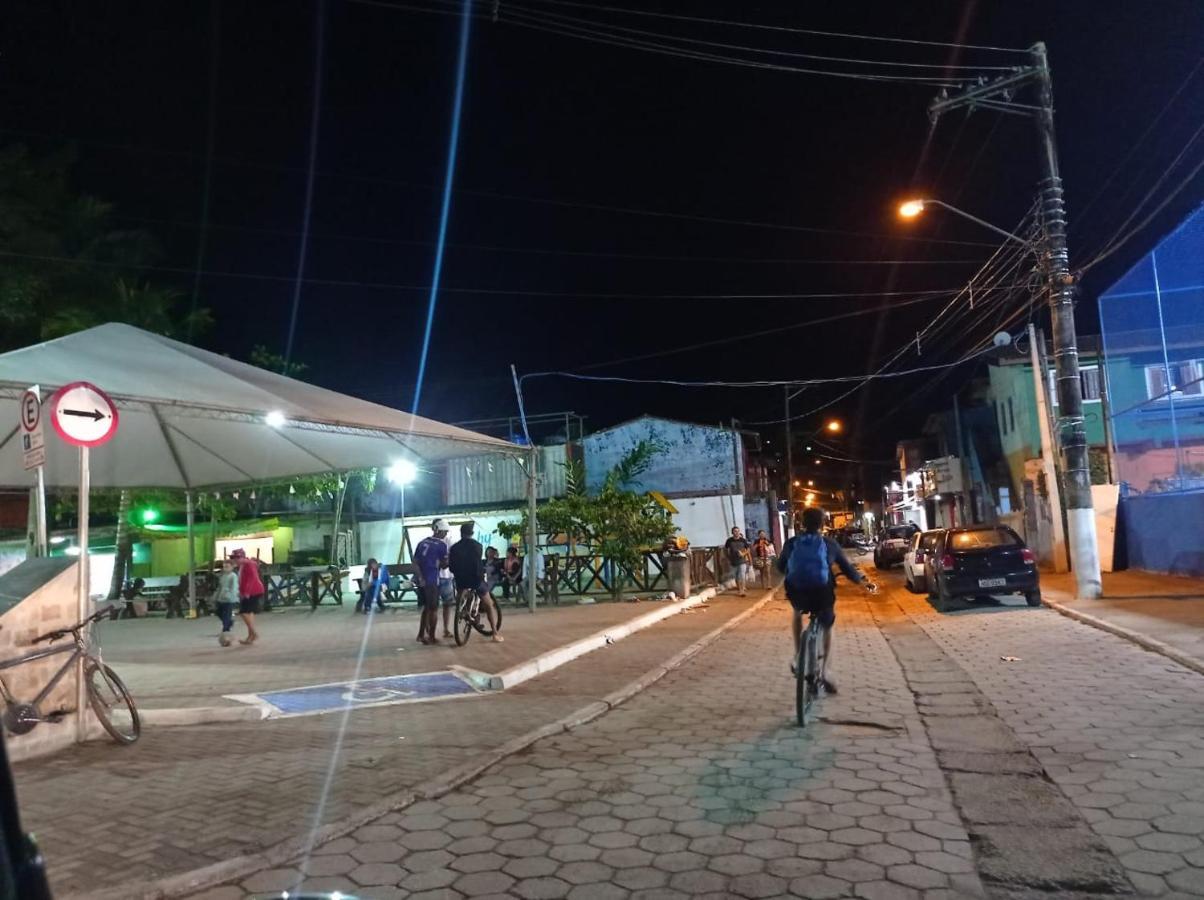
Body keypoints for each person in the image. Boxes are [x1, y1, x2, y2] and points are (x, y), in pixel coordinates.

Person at [776, 507, 876, 694]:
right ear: (822, 524)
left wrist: (792, 572)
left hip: (797, 592)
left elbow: (780, 567)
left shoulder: (791, 543)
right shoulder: (829, 544)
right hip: (821, 593)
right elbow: (847, 569)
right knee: (828, 625)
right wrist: (862, 582)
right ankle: (825, 672)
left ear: (801, 524)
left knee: (797, 612)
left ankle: (798, 655)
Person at [448, 523, 504, 642]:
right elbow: (477, 563)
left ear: (461, 533)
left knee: (461, 593)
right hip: (475, 579)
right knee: (489, 604)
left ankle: (463, 610)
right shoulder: (477, 546)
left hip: (460, 580)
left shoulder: (454, 548)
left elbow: (451, 567)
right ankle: (494, 633)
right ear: (472, 533)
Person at [413, 520, 450, 644]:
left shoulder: (422, 542)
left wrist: (420, 578)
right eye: (445, 531)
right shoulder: (441, 545)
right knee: (433, 609)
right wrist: (449, 560)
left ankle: (421, 634)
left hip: (422, 580)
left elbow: (415, 563)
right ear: (439, 530)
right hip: (433, 580)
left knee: (426, 608)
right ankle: (432, 637)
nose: (445, 534)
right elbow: (444, 565)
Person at [230, 548, 265, 645]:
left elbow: (252, 578)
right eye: (233, 558)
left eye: (235, 558)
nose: (234, 560)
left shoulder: (248, 564)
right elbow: (243, 580)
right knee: (249, 613)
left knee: (243, 612)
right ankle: (250, 636)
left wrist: (246, 592)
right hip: (250, 591)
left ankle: (253, 633)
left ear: (241, 557)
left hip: (253, 591)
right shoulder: (243, 565)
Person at [215, 560, 239, 646]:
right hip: (221, 598)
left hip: (229, 599)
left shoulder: (233, 576)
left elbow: (234, 587)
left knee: (226, 615)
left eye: (227, 566)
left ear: (232, 567)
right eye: (224, 567)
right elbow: (220, 587)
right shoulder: (223, 576)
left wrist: (232, 596)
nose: (225, 568)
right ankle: (229, 623)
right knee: (218, 612)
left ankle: (226, 633)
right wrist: (216, 596)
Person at [724, 527, 753, 597]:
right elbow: (725, 550)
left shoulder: (743, 540)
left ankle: (742, 590)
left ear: (739, 532)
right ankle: (739, 589)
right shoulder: (729, 541)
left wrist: (743, 554)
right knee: (736, 577)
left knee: (742, 575)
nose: (736, 532)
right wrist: (728, 557)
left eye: (737, 531)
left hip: (742, 561)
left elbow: (748, 550)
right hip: (733, 561)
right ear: (732, 532)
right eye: (735, 531)